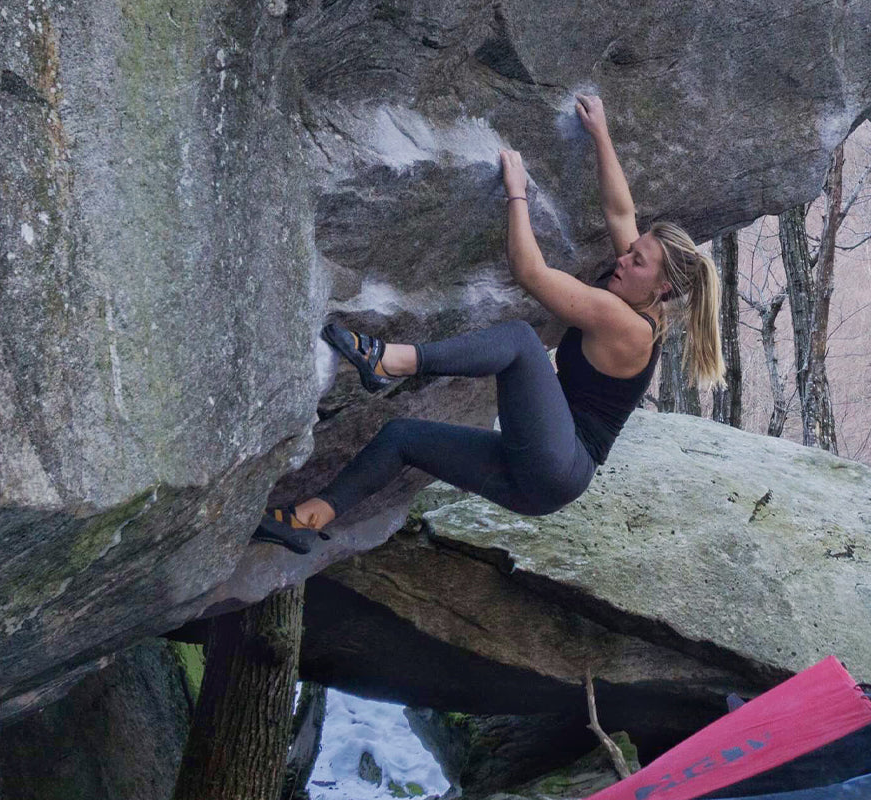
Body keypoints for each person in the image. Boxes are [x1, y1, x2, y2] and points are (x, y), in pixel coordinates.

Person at [254, 94, 725, 554]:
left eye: (637, 260)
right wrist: (601, 133)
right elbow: (621, 212)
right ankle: (307, 520)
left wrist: (515, 192)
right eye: (632, 249)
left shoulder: (628, 325)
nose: (623, 258)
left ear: (661, 288)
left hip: (559, 462)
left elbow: (530, 273)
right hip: (540, 475)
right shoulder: (638, 283)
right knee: (401, 438)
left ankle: (390, 361)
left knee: (522, 341)